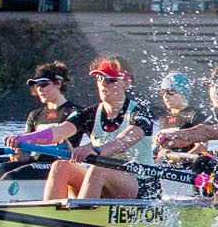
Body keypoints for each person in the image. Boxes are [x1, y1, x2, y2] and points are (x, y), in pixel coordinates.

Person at [40, 57, 156, 202]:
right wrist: (23, 139)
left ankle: (80, 217)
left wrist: (96, 150)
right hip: (107, 182)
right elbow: (59, 131)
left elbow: (123, 141)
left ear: (126, 83)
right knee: (60, 166)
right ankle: (51, 217)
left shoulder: (140, 112)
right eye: (99, 78)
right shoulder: (90, 113)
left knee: (98, 168)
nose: (103, 84)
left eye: (110, 80)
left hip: (142, 185)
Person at [0, 61, 82, 180]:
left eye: (43, 84)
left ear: (58, 83)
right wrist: (18, 152)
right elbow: (24, 155)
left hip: (60, 166)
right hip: (35, 163)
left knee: (11, 176)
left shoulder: (75, 112)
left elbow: (72, 150)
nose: (39, 89)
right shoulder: (35, 115)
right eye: (37, 85)